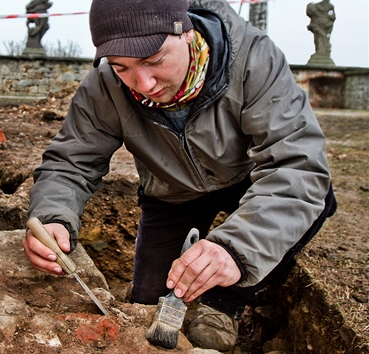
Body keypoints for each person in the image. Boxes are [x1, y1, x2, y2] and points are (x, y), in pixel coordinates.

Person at [23, 0, 337, 350]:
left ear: (187, 32)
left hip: (248, 178)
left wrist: (235, 249)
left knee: (315, 202)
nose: (143, 83)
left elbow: (297, 165)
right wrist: (53, 216)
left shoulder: (252, 58)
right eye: (121, 67)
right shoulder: (106, 85)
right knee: (145, 307)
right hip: (172, 192)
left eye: (154, 60)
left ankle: (226, 302)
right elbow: (69, 162)